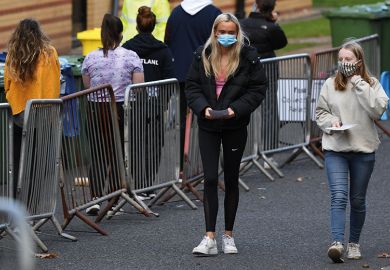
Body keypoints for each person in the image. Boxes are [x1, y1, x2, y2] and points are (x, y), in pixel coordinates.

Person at [185, 13, 268, 255]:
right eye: (222, 31)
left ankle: (228, 235)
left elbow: (257, 89)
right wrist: (203, 108)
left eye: (231, 32)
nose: (226, 36)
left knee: (231, 179)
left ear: (237, 33)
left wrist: (236, 110)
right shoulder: (202, 54)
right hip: (208, 124)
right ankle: (209, 237)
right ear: (215, 32)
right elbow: (191, 86)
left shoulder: (248, 56)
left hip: (235, 125)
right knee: (210, 178)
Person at [315, 40, 388, 263]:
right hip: (336, 147)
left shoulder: (372, 84)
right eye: (341, 59)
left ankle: (354, 243)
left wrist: (359, 84)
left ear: (358, 61)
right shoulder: (330, 84)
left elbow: (377, 109)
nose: (344, 64)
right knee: (338, 196)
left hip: (363, 150)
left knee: (357, 200)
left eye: (348, 59)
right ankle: (337, 243)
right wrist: (331, 122)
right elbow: (320, 113)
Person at [81, 13, 144, 215]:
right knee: (117, 153)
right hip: (121, 108)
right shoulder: (131, 56)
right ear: (121, 34)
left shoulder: (90, 57)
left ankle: (95, 198)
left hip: (95, 109)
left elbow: (87, 85)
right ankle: (114, 197)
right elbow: (138, 87)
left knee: (98, 153)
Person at [122, 6, 175, 200]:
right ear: (153, 27)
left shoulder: (127, 48)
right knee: (154, 145)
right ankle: (148, 185)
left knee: (134, 144)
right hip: (155, 105)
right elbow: (170, 78)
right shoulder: (163, 51)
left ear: (137, 26)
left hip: (133, 103)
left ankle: (137, 184)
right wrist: (163, 103)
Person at [4, 18, 61, 197]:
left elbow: (7, 84)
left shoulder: (13, 53)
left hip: (19, 111)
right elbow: (53, 84)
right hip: (42, 111)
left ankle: (15, 203)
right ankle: (34, 205)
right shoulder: (49, 53)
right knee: (37, 162)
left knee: (17, 160)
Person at [165, 0, 221, 171]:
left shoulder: (175, 13)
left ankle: (182, 168)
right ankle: (207, 163)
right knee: (209, 118)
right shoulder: (213, 14)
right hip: (205, 76)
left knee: (181, 122)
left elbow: (168, 42)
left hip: (180, 74)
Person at [240, 0, 288, 168]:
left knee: (243, 109)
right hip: (267, 68)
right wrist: (273, 23)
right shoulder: (272, 27)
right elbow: (281, 42)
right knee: (269, 110)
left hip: (246, 70)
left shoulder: (242, 24)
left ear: (256, 5)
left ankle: (242, 153)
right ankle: (269, 154)